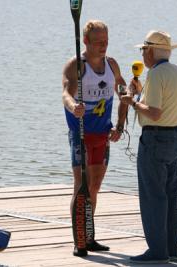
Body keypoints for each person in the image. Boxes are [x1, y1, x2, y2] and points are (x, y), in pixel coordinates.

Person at [121, 30, 177, 264]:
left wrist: (132, 102)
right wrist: (141, 95)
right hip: (175, 138)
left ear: (150, 51)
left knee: (153, 196)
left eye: (143, 50)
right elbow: (163, 106)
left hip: (155, 139)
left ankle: (157, 251)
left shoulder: (156, 74)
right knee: (170, 195)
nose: (142, 54)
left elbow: (155, 113)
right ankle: (172, 248)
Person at [62, 20, 128, 255]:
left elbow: (124, 93)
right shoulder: (76, 66)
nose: (104, 46)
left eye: (106, 41)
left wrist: (120, 124)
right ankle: (78, 240)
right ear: (86, 41)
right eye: (99, 42)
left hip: (102, 135)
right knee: (81, 186)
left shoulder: (112, 65)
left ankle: (89, 236)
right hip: (80, 134)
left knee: (95, 187)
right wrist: (74, 106)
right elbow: (66, 93)